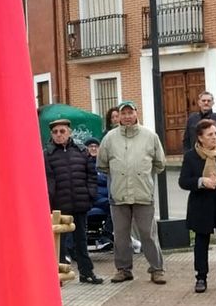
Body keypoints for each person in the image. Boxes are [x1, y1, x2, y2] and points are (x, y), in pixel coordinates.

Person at [97, 99, 167, 284]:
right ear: (118, 116)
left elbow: (160, 163)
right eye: (123, 113)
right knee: (120, 235)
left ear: (136, 113)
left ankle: (157, 269)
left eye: (130, 113)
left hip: (143, 193)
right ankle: (123, 269)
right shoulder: (109, 138)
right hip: (118, 195)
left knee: (147, 233)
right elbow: (102, 164)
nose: (127, 117)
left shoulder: (150, 136)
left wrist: (143, 175)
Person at [178, 119, 216, 293]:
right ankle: (201, 277)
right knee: (201, 242)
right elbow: (183, 181)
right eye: (210, 135)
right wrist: (201, 181)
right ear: (200, 137)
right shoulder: (191, 156)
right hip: (201, 205)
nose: (215, 137)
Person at [45, 119, 103, 284]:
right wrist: (50, 201)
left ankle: (86, 272)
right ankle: (59, 276)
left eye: (62, 131)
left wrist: (91, 194)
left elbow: (91, 174)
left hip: (79, 202)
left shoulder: (81, 150)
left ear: (69, 132)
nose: (59, 135)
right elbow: (46, 179)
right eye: (55, 132)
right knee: (59, 244)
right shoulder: (47, 153)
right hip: (59, 205)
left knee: (81, 241)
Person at [85, 138, 112, 252]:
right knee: (113, 205)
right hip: (93, 197)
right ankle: (106, 236)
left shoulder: (104, 163)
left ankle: (107, 234)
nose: (94, 148)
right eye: (91, 146)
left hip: (107, 196)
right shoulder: (85, 163)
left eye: (96, 146)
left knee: (120, 207)